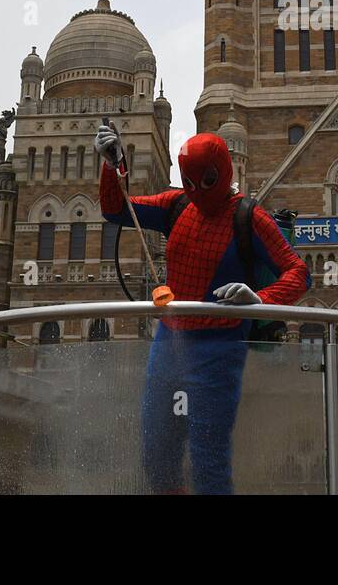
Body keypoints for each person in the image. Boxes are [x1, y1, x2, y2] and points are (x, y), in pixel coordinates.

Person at [95, 125, 309, 494]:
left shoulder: (249, 217)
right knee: (157, 453)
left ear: (223, 170)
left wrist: (262, 300)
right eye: (189, 182)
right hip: (170, 342)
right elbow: (117, 210)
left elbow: (299, 273)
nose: (198, 192)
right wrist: (111, 165)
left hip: (219, 346)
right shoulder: (177, 205)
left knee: (208, 458)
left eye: (206, 180)